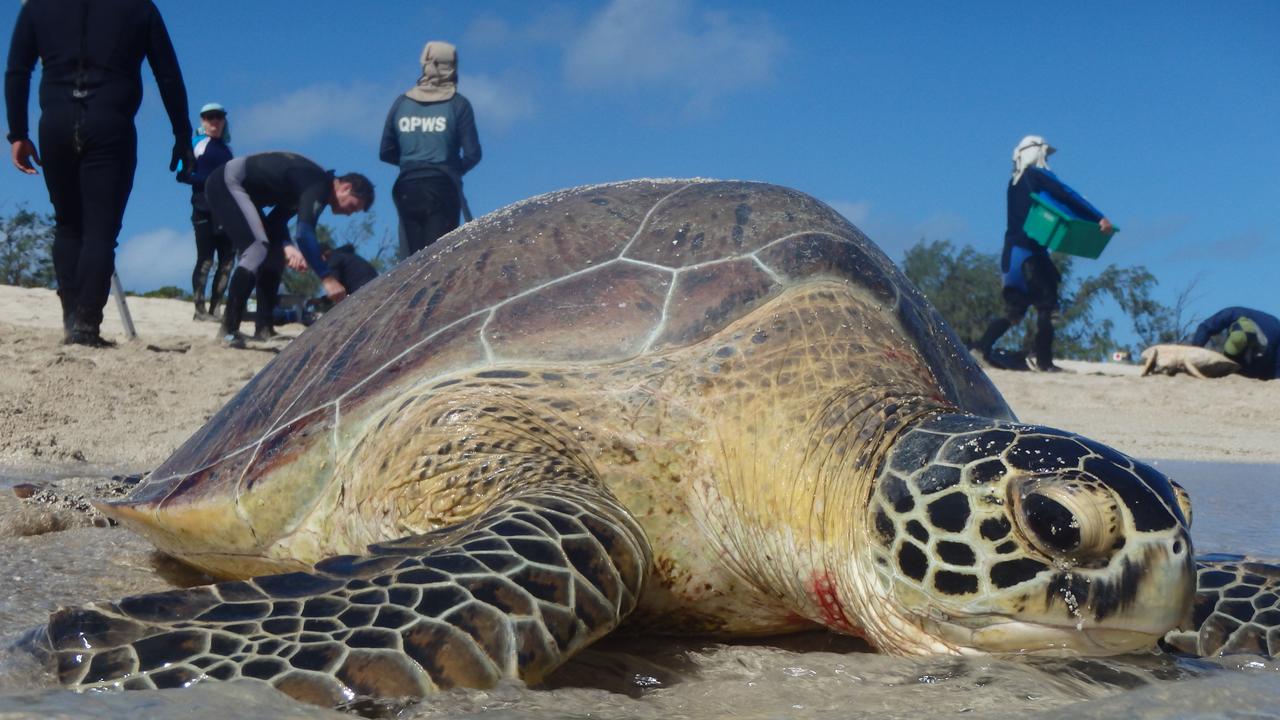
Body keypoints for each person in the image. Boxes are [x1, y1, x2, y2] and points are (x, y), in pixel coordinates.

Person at [5, 0, 193, 347]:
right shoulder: (139, 8)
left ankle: (71, 318)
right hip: (111, 122)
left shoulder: (37, 7)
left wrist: (17, 133)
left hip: (56, 122)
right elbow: (167, 73)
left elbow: (17, 70)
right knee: (100, 232)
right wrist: (182, 134)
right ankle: (86, 327)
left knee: (67, 224)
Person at [204, 151, 373, 348]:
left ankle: (264, 328)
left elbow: (276, 223)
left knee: (273, 253)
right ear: (346, 187)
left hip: (243, 191)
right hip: (228, 182)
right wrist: (327, 278)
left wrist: (287, 247)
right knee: (256, 248)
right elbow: (304, 233)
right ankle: (228, 330)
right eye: (353, 206)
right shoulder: (318, 184)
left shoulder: (309, 187)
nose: (350, 214)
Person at [973, 135, 1113, 372]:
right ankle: (1045, 362)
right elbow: (1066, 195)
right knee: (1047, 307)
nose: (1046, 159)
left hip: (1011, 255)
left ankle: (980, 349)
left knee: (1015, 312)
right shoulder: (1035, 176)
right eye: (1044, 154)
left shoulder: (1014, 183)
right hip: (1031, 254)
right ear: (1036, 153)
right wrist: (1097, 216)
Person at [379, 40, 481, 258]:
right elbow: (473, 154)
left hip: (406, 188)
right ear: (451, 67)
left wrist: (413, 162)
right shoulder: (458, 104)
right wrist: (451, 168)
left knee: (411, 263)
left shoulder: (401, 103)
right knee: (439, 260)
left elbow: (385, 151)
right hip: (443, 187)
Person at [177, 102, 234, 321]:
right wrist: (210, 181)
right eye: (210, 117)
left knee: (228, 260)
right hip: (203, 209)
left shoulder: (227, 150)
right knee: (206, 260)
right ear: (203, 120)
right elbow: (182, 174)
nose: (215, 121)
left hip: (226, 212)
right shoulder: (197, 144)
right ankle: (199, 309)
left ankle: (216, 308)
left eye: (219, 117)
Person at [1189, 306, 1280, 380]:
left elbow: (1276, 373)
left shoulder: (1274, 334)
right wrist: (1194, 352)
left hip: (1267, 361)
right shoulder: (1232, 314)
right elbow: (1205, 327)